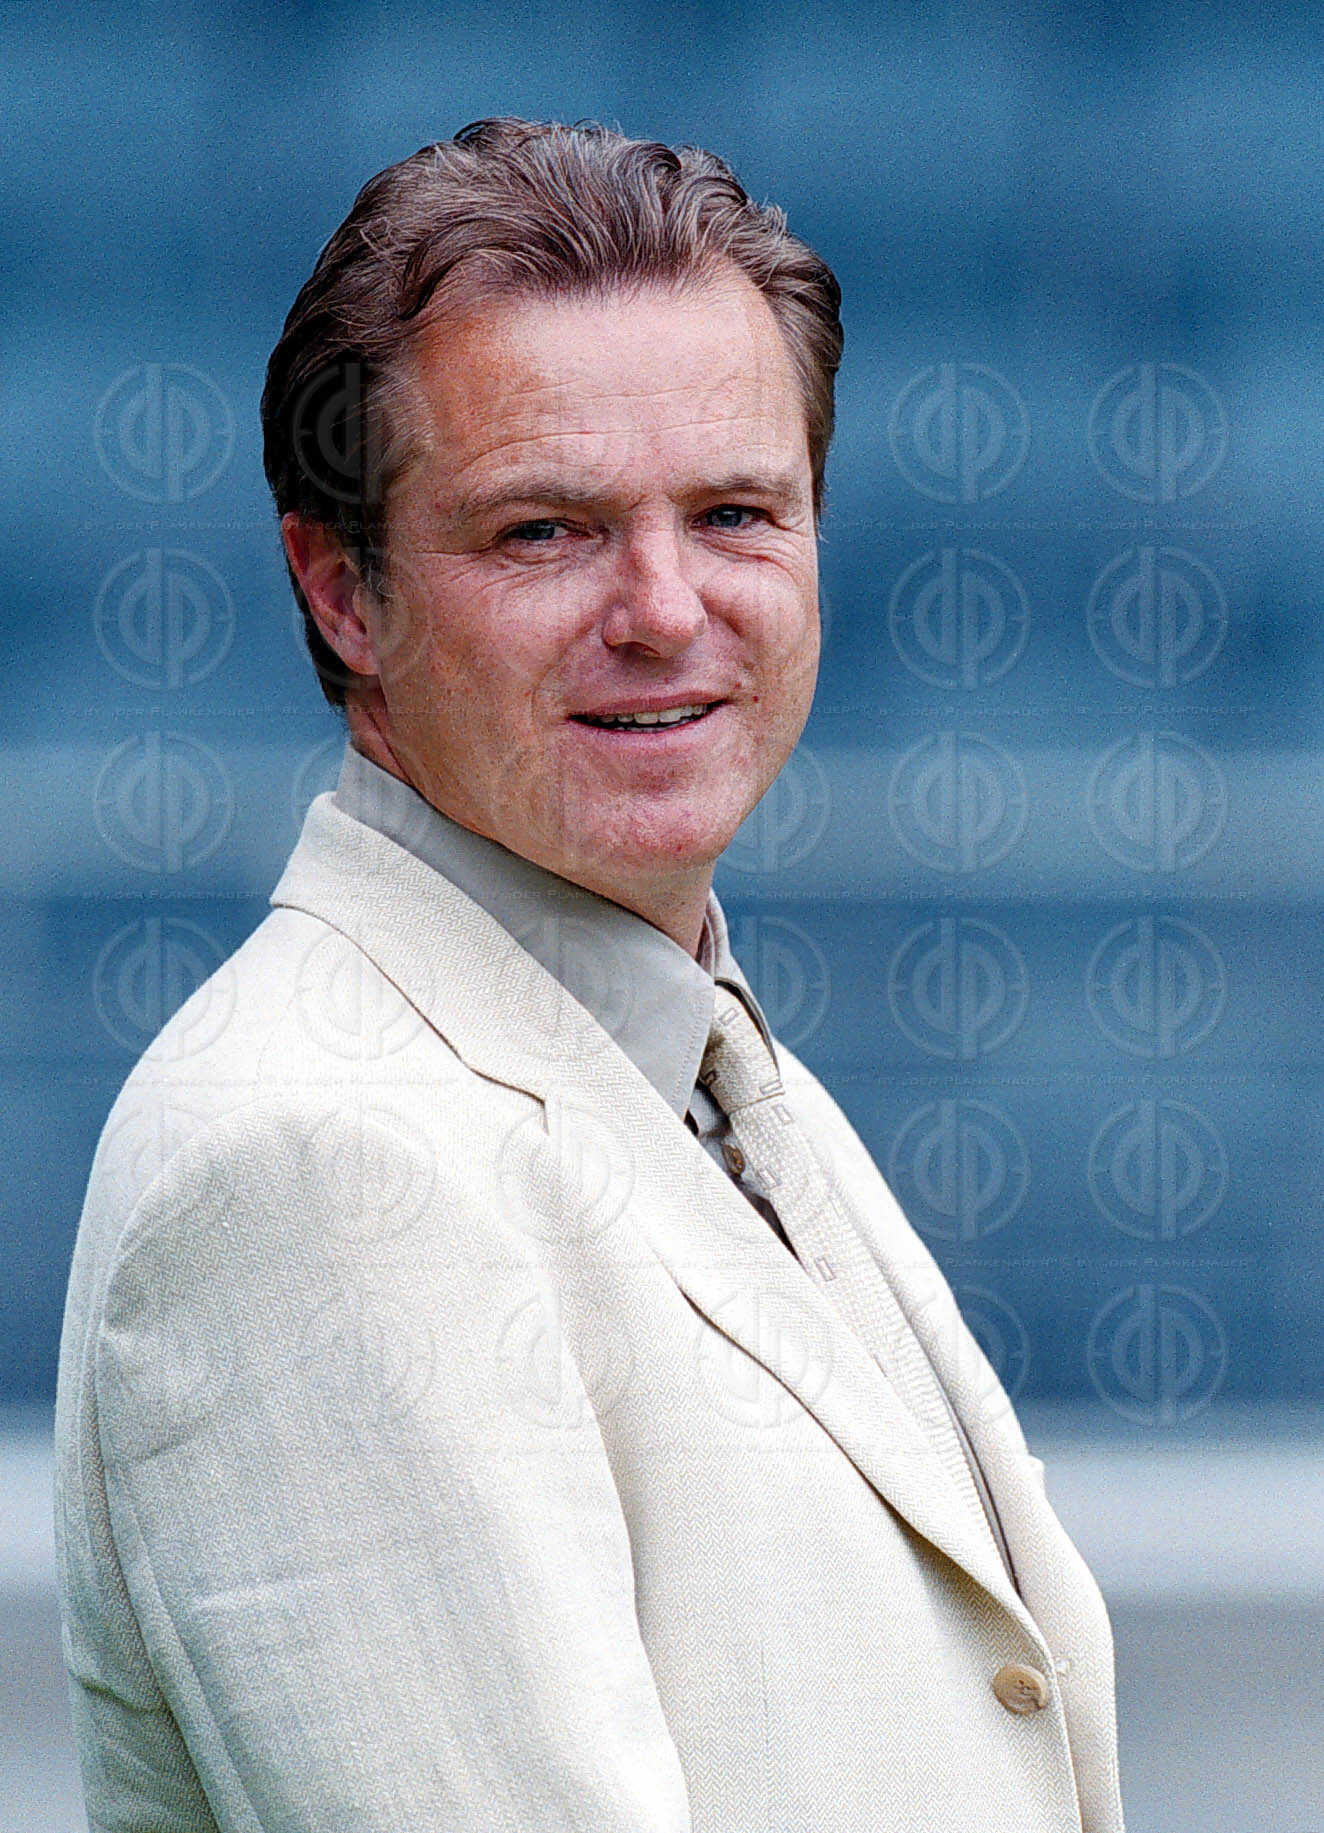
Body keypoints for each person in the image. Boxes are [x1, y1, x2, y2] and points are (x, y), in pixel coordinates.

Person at [55, 118, 1125, 1831]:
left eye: (735, 513)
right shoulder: (312, 1170)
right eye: (545, 530)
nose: (664, 607)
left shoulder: (691, 1048)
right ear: (343, 592)